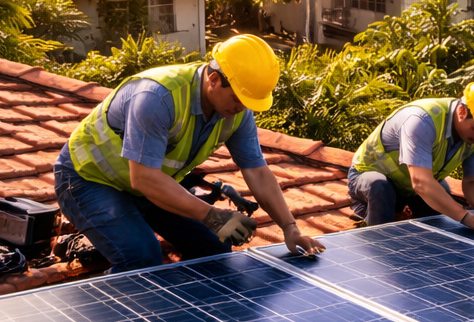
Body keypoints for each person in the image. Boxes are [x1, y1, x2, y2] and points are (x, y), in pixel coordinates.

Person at [54, 34, 326, 272]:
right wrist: (213, 216)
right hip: (88, 179)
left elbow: (257, 171)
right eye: (238, 99)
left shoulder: (237, 113)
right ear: (214, 79)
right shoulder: (158, 97)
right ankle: (104, 320)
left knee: (213, 249)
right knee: (141, 256)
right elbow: (145, 179)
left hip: (149, 185)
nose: (242, 108)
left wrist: (290, 228)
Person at [348, 80, 474, 231]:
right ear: (462, 111)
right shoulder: (422, 121)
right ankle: (379, 243)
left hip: (411, 188)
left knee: (442, 193)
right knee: (380, 186)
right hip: (368, 180)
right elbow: (421, 182)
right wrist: (466, 217)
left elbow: (472, 181)